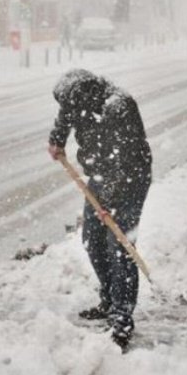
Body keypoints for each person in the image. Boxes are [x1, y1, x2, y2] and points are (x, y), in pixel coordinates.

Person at [47, 69, 152, 349]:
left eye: (72, 105)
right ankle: (108, 299)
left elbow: (125, 157)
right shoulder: (78, 103)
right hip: (101, 177)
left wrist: (111, 202)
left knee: (120, 247)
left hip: (130, 178)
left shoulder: (120, 106)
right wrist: (57, 139)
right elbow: (65, 116)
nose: (68, 111)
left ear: (87, 97)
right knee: (93, 241)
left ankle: (122, 318)